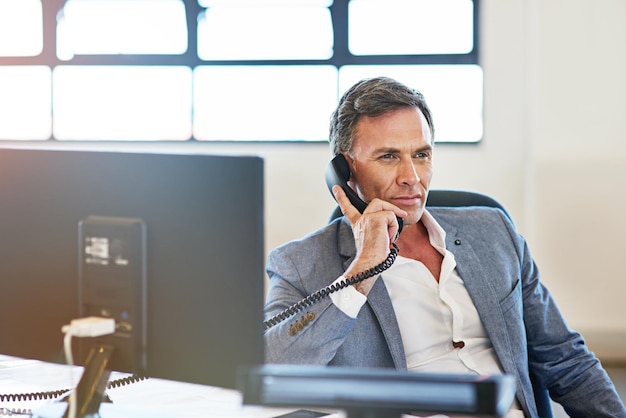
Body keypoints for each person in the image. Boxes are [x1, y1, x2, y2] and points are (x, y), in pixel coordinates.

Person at [263, 76, 626, 417]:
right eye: (389, 156)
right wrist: (361, 272)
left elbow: (566, 360)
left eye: (421, 154)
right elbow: (273, 370)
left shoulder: (494, 231)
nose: (412, 178)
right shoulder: (300, 263)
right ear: (344, 171)